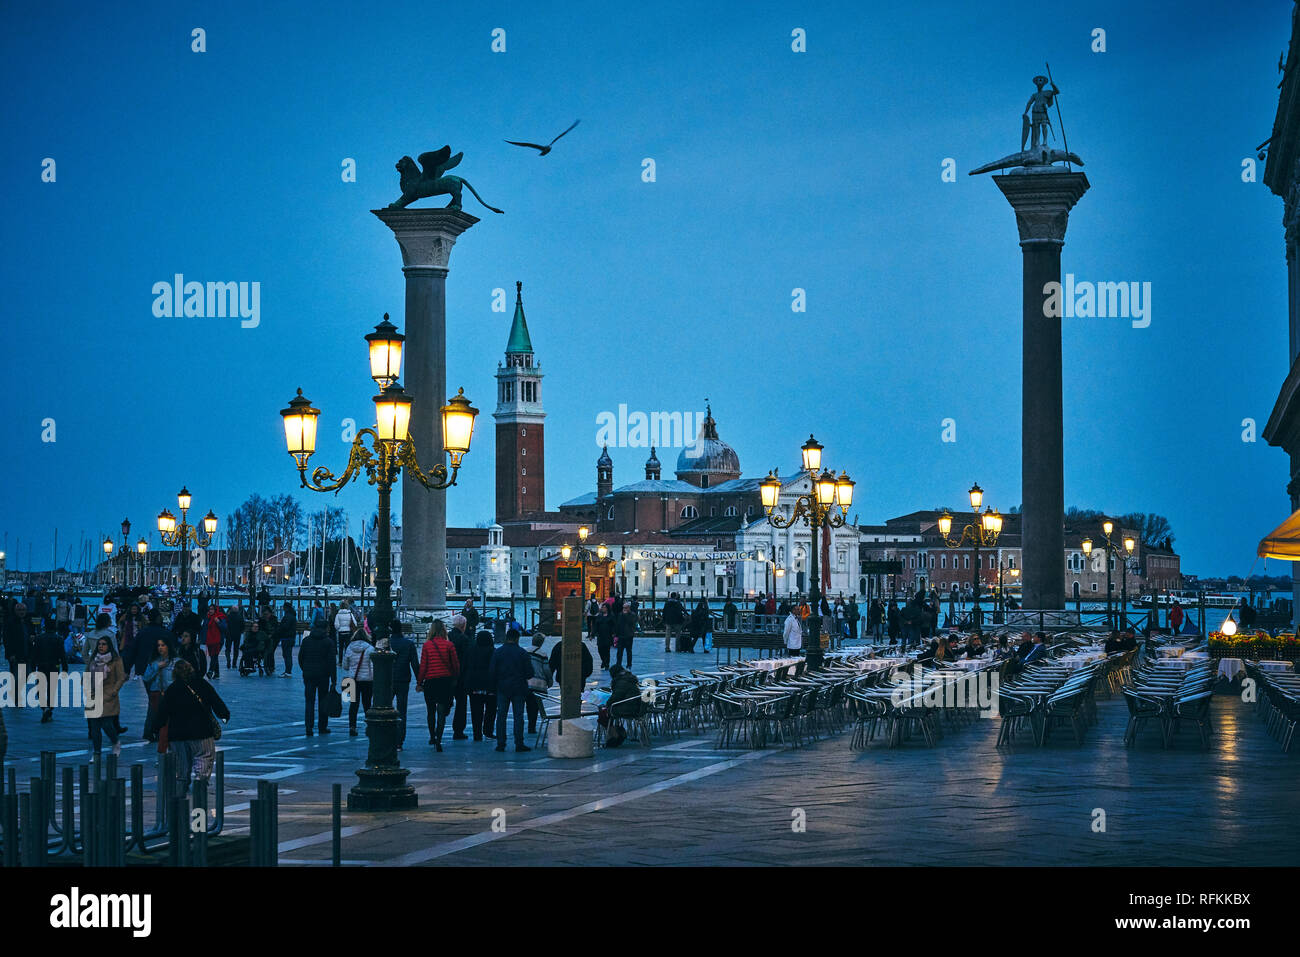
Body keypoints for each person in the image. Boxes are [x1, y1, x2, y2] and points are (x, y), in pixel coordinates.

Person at [154, 659, 229, 794]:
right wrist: (224, 715)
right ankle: (200, 788)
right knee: (204, 758)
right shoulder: (202, 684)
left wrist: (156, 728)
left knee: (182, 767)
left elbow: (162, 712)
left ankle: (180, 793)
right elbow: (216, 701)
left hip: (177, 734)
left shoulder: (172, 689)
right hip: (201, 732)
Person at [417, 620, 460, 751]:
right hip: (444, 681)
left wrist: (419, 682)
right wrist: (455, 678)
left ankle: (432, 736)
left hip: (430, 681)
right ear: (444, 630)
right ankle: (439, 741)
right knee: (441, 712)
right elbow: (456, 665)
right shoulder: (449, 645)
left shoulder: (427, 646)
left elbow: (423, 666)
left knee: (430, 711)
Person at [489, 626, 534, 752]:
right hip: (519, 688)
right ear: (517, 639)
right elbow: (530, 673)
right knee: (518, 716)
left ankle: (500, 743)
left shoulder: (498, 652)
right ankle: (519, 743)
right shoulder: (523, 653)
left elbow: (492, 672)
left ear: (506, 638)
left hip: (502, 687)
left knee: (501, 716)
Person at [85, 634, 126, 756]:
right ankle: (96, 752)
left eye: (104, 644)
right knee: (94, 726)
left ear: (109, 646)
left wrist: (114, 690)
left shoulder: (116, 660)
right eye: (99, 644)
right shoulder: (94, 660)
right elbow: (87, 675)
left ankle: (115, 742)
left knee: (107, 724)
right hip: (93, 695)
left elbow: (121, 677)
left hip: (108, 695)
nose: (101, 647)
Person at [299, 618, 337, 736]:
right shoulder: (328, 642)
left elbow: (301, 658)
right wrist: (333, 678)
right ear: (326, 628)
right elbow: (332, 662)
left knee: (309, 701)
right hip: (323, 675)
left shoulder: (306, 641)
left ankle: (308, 727)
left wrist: (305, 669)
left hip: (309, 674)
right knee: (322, 701)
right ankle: (322, 726)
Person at [386, 620, 418, 749]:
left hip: (388, 679)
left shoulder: (386, 644)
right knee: (402, 710)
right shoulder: (409, 644)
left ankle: (386, 737)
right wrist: (420, 681)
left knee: (384, 708)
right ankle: (399, 740)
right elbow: (415, 664)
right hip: (403, 679)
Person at [464, 629, 498, 741]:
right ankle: (488, 730)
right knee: (491, 710)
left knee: (476, 711)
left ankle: (477, 733)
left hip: (475, 685)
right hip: (490, 685)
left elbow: (467, 667)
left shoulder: (471, 651)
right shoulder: (493, 651)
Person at [142, 637, 176, 749]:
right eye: (158, 645)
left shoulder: (175, 661)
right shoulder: (153, 662)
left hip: (169, 694)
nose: (160, 648)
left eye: (163, 645)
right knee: (160, 721)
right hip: (156, 693)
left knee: (167, 723)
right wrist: (157, 667)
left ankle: (166, 748)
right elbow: (146, 677)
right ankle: (162, 746)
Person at [31, 619, 66, 723]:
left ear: (45, 627)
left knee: (40, 689)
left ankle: (44, 708)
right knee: (52, 690)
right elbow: (62, 655)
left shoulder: (38, 638)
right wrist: (65, 667)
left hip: (41, 667)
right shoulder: (59, 639)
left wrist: (32, 668)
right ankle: (49, 710)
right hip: (54, 667)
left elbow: (34, 654)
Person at [342, 629, 375, 736]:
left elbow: (345, 666)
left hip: (352, 680)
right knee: (367, 704)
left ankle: (352, 726)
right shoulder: (370, 648)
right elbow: (372, 666)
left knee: (353, 704)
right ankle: (370, 726)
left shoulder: (349, 648)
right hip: (367, 680)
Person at [446, 615, 472, 740]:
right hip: (461, 676)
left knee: (445, 701)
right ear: (463, 626)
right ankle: (458, 730)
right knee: (461, 704)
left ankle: (440, 722)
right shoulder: (464, 639)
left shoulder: (448, 637)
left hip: (447, 674)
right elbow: (467, 659)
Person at [525, 634, 554, 734]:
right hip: (538, 683)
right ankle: (531, 727)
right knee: (535, 706)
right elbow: (546, 669)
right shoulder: (543, 654)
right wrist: (550, 680)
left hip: (526, 683)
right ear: (541, 643)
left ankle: (529, 724)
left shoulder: (525, 651)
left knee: (528, 705)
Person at [200, 605, 227, 679]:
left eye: (212, 609)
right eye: (209, 609)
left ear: (215, 610)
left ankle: (210, 671)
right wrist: (202, 639)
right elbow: (204, 629)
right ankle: (217, 673)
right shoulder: (207, 618)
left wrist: (218, 622)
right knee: (213, 656)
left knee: (214, 655)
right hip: (209, 639)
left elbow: (224, 628)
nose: (210, 611)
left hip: (218, 640)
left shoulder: (220, 617)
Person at [275, 602, 297, 676]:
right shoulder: (292, 615)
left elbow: (285, 627)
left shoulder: (288, 616)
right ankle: (288, 670)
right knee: (288, 655)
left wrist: (279, 629)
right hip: (291, 637)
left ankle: (288, 671)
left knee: (287, 655)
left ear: (286, 608)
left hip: (286, 638)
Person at [334, 600, 359, 664]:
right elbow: (355, 623)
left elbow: (336, 625)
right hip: (348, 632)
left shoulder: (338, 615)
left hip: (341, 632)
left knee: (340, 648)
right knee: (348, 648)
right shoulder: (350, 614)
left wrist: (339, 628)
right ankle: (348, 661)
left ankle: (340, 661)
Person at [593, 603, 615, 670]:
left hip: (608, 635)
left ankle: (606, 664)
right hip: (600, 635)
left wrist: (613, 633)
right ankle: (603, 661)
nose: (603, 608)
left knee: (607, 651)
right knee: (600, 650)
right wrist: (592, 634)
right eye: (603, 607)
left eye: (605, 607)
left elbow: (614, 625)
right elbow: (596, 625)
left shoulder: (611, 616)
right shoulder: (599, 616)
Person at [615, 601, 637, 668]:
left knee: (629, 651)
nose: (624, 609)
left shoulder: (632, 614)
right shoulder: (620, 614)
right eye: (623, 608)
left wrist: (625, 615)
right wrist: (616, 633)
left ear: (629, 608)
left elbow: (631, 622)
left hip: (629, 635)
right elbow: (618, 624)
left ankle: (629, 664)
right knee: (619, 651)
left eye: (626, 608)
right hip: (621, 635)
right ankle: (618, 664)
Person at [225, 602, 245, 670]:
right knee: (236, 649)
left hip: (229, 634)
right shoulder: (240, 617)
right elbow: (243, 626)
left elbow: (225, 625)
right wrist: (241, 631)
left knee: (228, 649)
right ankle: (234, 663)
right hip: (237, 634)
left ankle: (228, 660)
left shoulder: (228, 617)